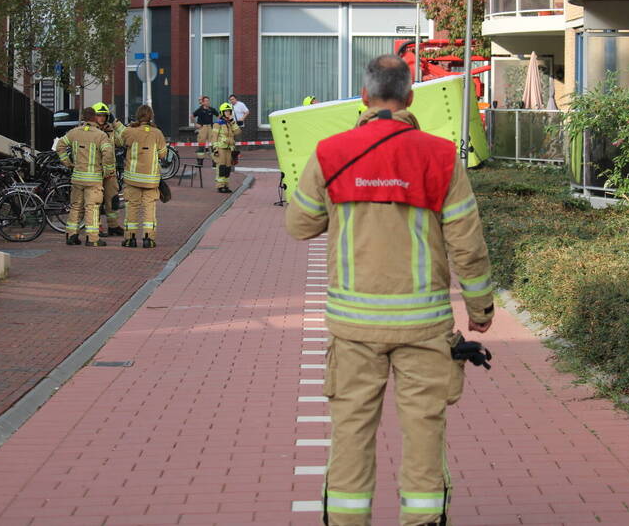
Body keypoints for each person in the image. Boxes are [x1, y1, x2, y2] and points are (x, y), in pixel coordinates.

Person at [285, 55, 494, 526]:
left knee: (351, 433)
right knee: (423, 431)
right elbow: (467, 240)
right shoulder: (441, 157)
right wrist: (480, 307)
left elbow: (299, 226)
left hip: (353, 327)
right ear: (409, 98)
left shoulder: (330, 153)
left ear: (364, 97)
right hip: (424, 326)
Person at [55, 106, 116, 247]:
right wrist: (107, 171)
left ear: (83, 118)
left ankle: (71, 235)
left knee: (76, 206)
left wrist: (68, 162)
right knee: (92, 207)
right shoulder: (100, 135)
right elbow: (108, 154)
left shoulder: (74, 133)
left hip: (77, 177)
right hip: (93, 179)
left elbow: (60, 146)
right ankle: (92, 238)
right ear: (94, 117)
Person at [119, 105, 167, 248]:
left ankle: (130, 238)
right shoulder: (157, 133)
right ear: (151, 116)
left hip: (132, 178)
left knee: (132, 207)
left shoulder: (130, 132)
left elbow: (119, 142)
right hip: (150, 180)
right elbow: (163, 153)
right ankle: (148, 238)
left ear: (137, 115)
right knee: (149, 208)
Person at [92, 102, 125, 237]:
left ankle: (113, 225)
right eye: (99, 116)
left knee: (113, 199)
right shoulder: (89, 131)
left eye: (104, 116)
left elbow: (122, 140)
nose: (102, 118)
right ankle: (97, 226)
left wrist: (115, 124)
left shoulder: (110, 130)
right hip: (96, 171)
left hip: (110, 173)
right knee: (96, 200)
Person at [210, 102, 241, 194]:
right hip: (221, 148)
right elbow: (214, 137)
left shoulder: (230, 123)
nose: (228, 113)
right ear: (222, 112)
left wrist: (232, 121)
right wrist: (215, 149)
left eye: (229, 111)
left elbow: (238, 132)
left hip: (229, 149)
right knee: (222, 167)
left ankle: (226, 185)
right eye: (226, 111)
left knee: (228, 167)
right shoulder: (218, 123)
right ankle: (220, 186)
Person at [191, 96, 219, 166]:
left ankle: (214, 162)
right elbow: (192, 116)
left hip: (210, 127)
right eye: (206, 101)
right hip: (202, 128)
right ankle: (200, 163)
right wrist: (195, 124)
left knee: (213, 145)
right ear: (203, 102)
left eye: (208, 101)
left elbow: (219, 115)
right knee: (201, 145)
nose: (207, 102)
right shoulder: (199, 110)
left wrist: (217, 123)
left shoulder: (212, 109)